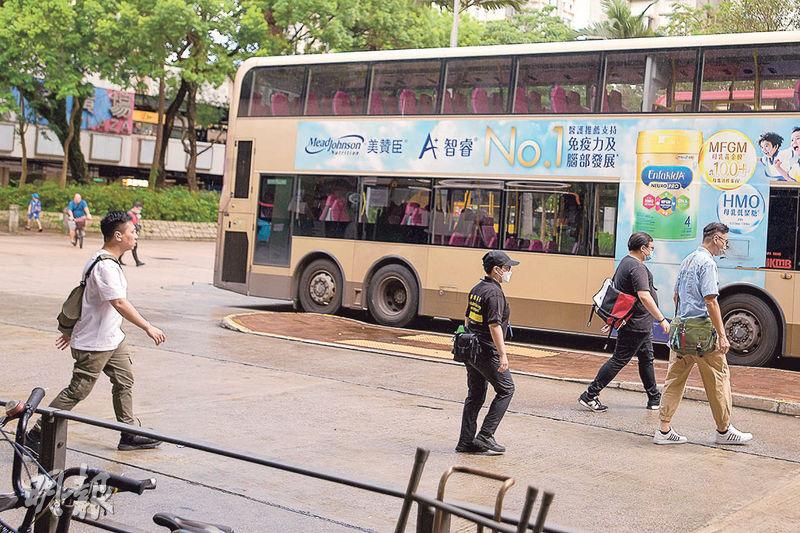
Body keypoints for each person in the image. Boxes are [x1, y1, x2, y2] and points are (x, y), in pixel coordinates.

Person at [26, 211, 167, 453]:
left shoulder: (102, 260)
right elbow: (119, 303)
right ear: (118, 235)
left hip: (113, 339)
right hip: (95, 344)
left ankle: (129, 433)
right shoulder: (105, 267)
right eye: (133, 232)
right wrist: (147, 326)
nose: (136, 236)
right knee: (78, 390)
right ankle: (38, 433)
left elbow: (86, 300)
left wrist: (72, 329)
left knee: (124, 381)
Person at [654, 222, 753, 445]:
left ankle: (663, 430)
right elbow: (711, 300)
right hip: (703, 333)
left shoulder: (688, 259)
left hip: (682, 332)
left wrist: (681, 321)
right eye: (725, 242)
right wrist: (722, 334)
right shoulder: (707, 263)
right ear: (716, 238)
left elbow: (676, 296)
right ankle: (724, 430)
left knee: (674, 380)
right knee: (719, 379)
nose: (725, 247)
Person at [579, 232, 670, 412]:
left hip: (638, 323)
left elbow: (619, 295)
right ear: (643, 248)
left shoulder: (625, 263)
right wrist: (661, 319)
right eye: (651, 248)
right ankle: (590, 395)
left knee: (646, 359)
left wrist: (614, 319)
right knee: (619, 360)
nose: (652, 251)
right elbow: (644, 295)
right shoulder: (637, 268)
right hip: (636, 324)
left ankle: (654, 398)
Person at [456, 251, 518, 455]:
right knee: (507, 389)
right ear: (497, 270)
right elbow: (494, 326)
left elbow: (467, 319)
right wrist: (502, 355)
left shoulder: (477, 288)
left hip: (471, 349)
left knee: (475, 395)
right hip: (485, 350)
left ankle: (466, 442)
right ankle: (485, 435)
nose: (509, 272)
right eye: (507, 268)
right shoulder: (494, 293)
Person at [120, 201, 145, 267]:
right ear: (135, 207)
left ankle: (119, 259)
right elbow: (128, 223)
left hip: (133, 232)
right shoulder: (129, 214)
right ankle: (137, 261)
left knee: (127, 246)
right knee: (132, 246)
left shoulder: (135, 214)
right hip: (129, 233)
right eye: (139, 209)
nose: (140, 210)